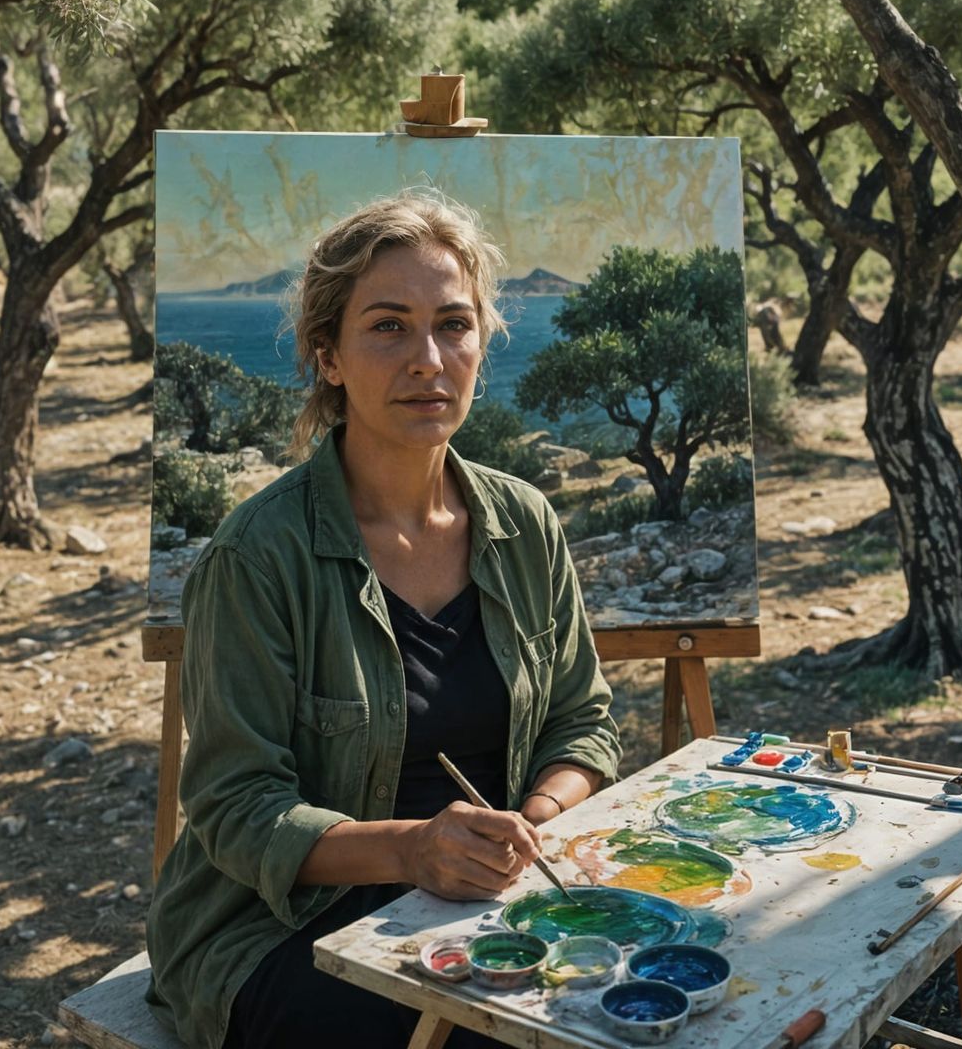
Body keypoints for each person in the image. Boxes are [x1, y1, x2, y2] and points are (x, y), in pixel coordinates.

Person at [146, 188, 621, 1048]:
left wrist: (536, 822)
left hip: (490, 900)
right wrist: (413, 852)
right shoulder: (257, 556)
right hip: (282, 930)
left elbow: (581, 721)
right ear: (328, 356)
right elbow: (235, 807)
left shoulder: (525, 523)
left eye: (453, 324)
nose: (428, 359)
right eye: (388, 326)